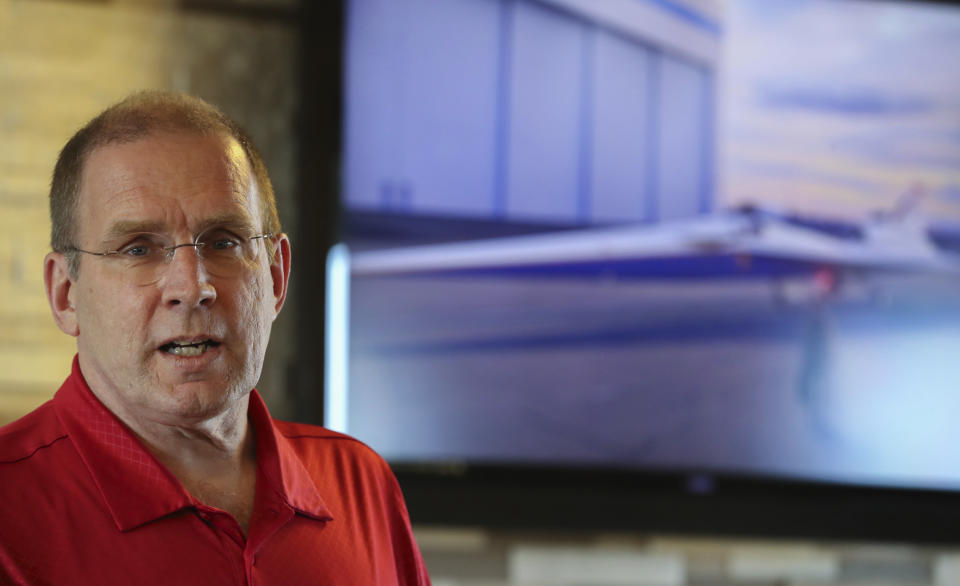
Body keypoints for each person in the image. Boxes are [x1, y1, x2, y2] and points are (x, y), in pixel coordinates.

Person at [0, 91, 431, 585]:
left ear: (276, 276)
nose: (192, 287)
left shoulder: (361, 484)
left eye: (224, 241)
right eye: (138, 248)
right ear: (65, 293)